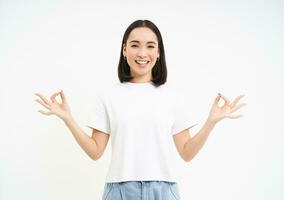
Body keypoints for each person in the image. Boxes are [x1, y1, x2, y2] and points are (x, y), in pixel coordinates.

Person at [35, 19, 246, 200]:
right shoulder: (109, 95)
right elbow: (95, 152)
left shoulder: (173, 95)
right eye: (135, 45)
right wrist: (67, 118)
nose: (142, 53)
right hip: (120, 191)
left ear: (158, 52)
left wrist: (211, 122)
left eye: (150, 46)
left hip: (164, 191)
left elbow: (187, 152)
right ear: (124, 50)